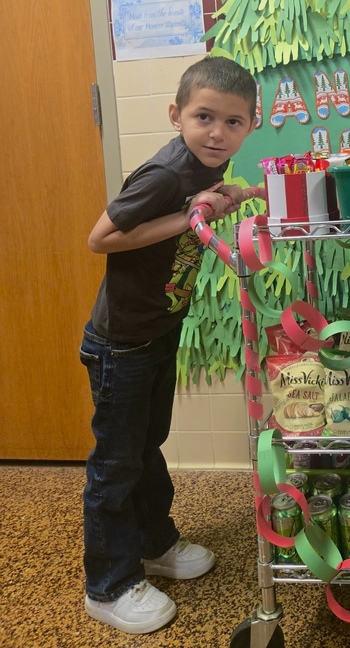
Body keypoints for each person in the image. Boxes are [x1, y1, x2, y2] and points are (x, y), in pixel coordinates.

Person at [80, 56, 260, 634]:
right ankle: (106, 585)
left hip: (159, 329)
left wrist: (229, 193)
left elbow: (197, 205)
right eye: (204, 117)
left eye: (234, 122)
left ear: (252, 125)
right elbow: (100, 239)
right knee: (115, 463)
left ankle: (154, 543)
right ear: (175, 115)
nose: (217, 132)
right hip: (122, 343)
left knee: (148, 444)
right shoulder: (165, 175)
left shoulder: (209, 166)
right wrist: (189, 218)